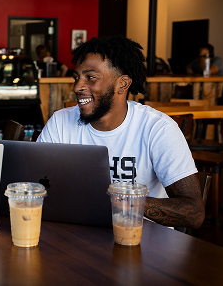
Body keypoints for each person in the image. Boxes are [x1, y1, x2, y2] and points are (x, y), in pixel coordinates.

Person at [37, 37, 205, 229]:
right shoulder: (60, 122)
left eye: (90, 77)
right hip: (79, 235)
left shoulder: (158, 129)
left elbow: (194, 213)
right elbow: (37, 185)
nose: (77, 87)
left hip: (144, 243)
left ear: (122, 84)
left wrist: (122, 202)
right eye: (77, 77)